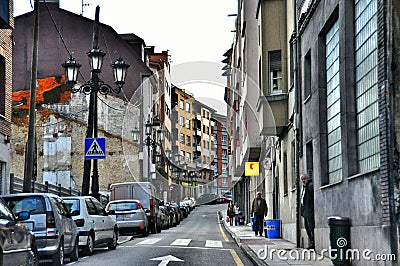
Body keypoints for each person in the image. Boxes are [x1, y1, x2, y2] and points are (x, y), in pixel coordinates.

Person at [301, 173, 315, 249]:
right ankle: (311, 242)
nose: (303, 180)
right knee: (307, 227)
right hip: (305, 211)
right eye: (302, 179)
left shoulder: (310, 186)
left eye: (304, 179)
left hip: (309, 210)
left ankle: (313, 243)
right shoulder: (304, 188)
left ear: (307, 178)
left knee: (310, 227)